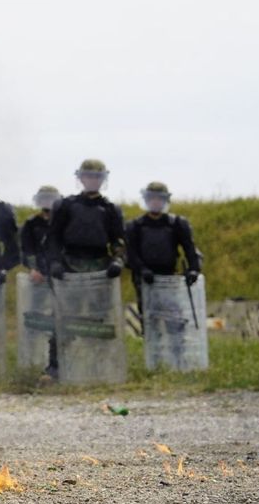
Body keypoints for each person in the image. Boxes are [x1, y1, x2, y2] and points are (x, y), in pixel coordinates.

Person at [44, 159, 126, 379]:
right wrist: (54, 262)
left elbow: (118, 241)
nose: (92, 180)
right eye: (88, 176)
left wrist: (118, 261)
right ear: (80, 178)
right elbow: (53, 239)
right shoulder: (65, 206)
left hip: (100, 269)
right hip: (70, 267)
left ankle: (100, 366)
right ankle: (55, 368)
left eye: (97, 176)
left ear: (103, 179)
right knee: (63, 317)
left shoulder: (110, 209)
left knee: (100, 319)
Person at [125, 182, 201, 315]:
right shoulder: (135, 226)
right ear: (146, 200)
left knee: (174, 316)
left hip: (169, 277)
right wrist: (142, 269)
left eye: (159, 198)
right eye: (152, 198)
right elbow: (130, 253)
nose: (155, 202)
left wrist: (194, 270)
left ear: (166, 200)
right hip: (144, 279)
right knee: (148, 316)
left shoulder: (177, 224)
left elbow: (190, 248)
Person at [20, 186, 61, 283]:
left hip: (61, 272)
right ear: (39, 200)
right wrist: (33, 269)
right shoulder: (31, 222)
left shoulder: (63, 221)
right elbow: (27, 249)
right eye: (44, 198)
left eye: (51, 198)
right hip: (39, 274)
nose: (48, 202)